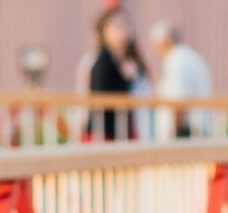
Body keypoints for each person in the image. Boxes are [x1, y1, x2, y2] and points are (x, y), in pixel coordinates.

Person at [79, 7, 150, 141]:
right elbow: (102, 96)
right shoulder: (103, 61)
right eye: (118, 26)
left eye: (127, 25)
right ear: (105, 31)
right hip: (105, 133)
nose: (124, 31)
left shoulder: (132, 60)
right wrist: (126, 80)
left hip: (126, 131)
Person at [150, 18, 213, 138]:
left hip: (185, 131)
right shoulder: (192, 57)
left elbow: (179, 100)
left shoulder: (176, 61)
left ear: (163, 42)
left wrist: (173, 135)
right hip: (198, 128)